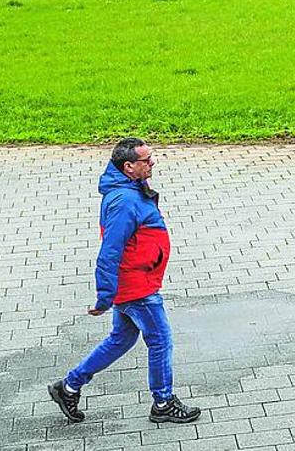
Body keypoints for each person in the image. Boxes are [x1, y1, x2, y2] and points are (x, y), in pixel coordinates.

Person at [48, 138, 200, 425]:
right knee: (160, 340)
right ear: (128, 166)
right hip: (136, 286)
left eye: (152, 157)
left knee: (121, 339)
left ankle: (68, 386)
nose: (153, 163)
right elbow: (109, 250)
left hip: (136, 279)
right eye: (147, 160)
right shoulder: (124, 201)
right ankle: (163, 402)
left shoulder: (128, 190)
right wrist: (105, 296)